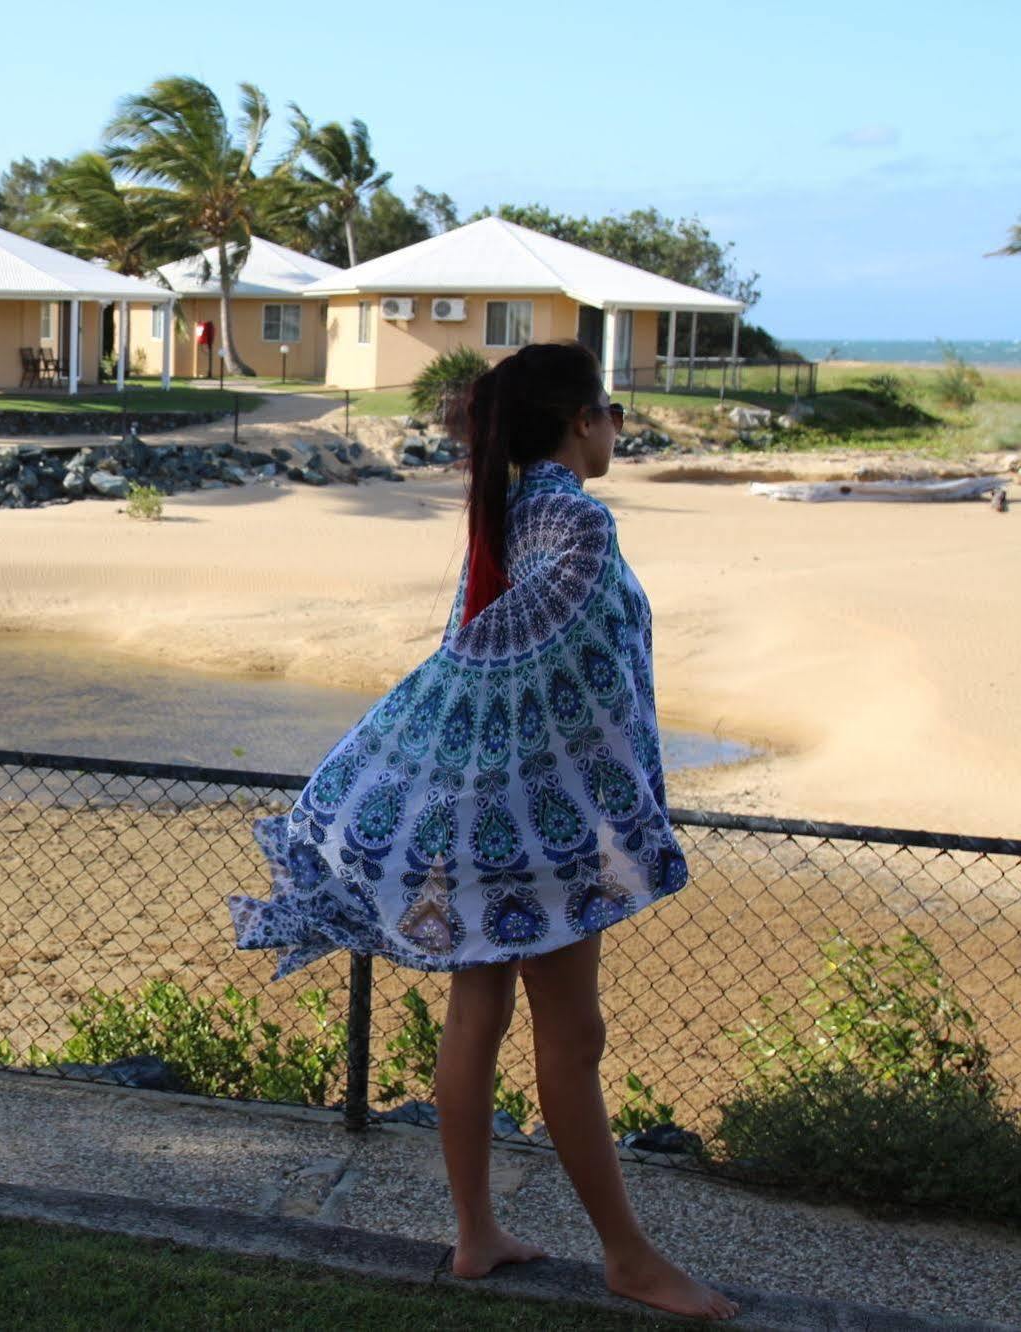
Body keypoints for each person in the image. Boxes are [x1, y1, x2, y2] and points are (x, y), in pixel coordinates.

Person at [228, 342, 738, 1321]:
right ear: (582, 421)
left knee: (477, 1015)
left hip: (478, 815)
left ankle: (476, 1235)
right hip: (546, 829)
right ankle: (627, 1259)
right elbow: (545, 671)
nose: (617, 428)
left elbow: (491, 661)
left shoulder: (506, 518)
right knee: (571, 1036)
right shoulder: (576, 524)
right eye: (610, 412)